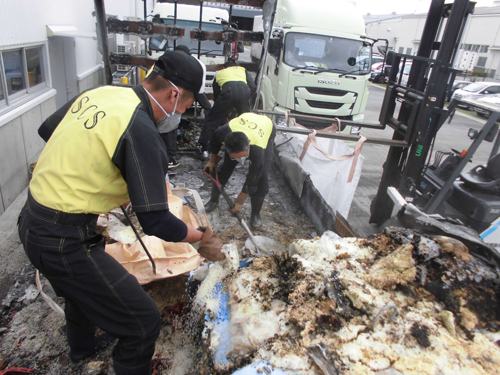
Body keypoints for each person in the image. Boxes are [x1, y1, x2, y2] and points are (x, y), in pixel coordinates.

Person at [17, 50, 225, 375]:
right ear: (173, 94)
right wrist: (201, 237)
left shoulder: (102, 92)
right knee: (142, 321)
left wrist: (100, 174)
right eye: (186, 105)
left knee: (79, 291)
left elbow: (49, 131)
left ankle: (82, 351)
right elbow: (155, 220)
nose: (182, 113)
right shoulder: (141, 130)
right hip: (61, 240)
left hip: (32, 218)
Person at [203, 112, 275, 228]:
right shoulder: (221, 133)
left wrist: (239, 202)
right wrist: (212, 161)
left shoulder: (258, 148)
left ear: (249, 144)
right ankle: (213, 201)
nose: (241, 160)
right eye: (236, 157)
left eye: (243, 156)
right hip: (244, 125)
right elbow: (214, 145)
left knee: (261, 177)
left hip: (266, 127)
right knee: (225, 168)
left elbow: (254, 175)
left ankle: (255, 214)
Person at [197, 60, 256, 157]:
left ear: (224, 68)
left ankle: (204, 149)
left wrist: (222, 109)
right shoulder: (242, 70)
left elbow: (217, 95)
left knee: (212, 120)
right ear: (235, 66)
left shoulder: (220, 73)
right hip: (244, 91)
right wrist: (246, 98)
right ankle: (249, 147)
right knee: (246, 120)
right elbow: (252, 87)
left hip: (228, 91)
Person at [157, 45, 198, 169]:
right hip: (170, 101)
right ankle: (168, 157)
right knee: (170, 125)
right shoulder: (185, 67)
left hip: (156, 100)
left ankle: (159, 154)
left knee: (158, 126)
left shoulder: (163, 61)